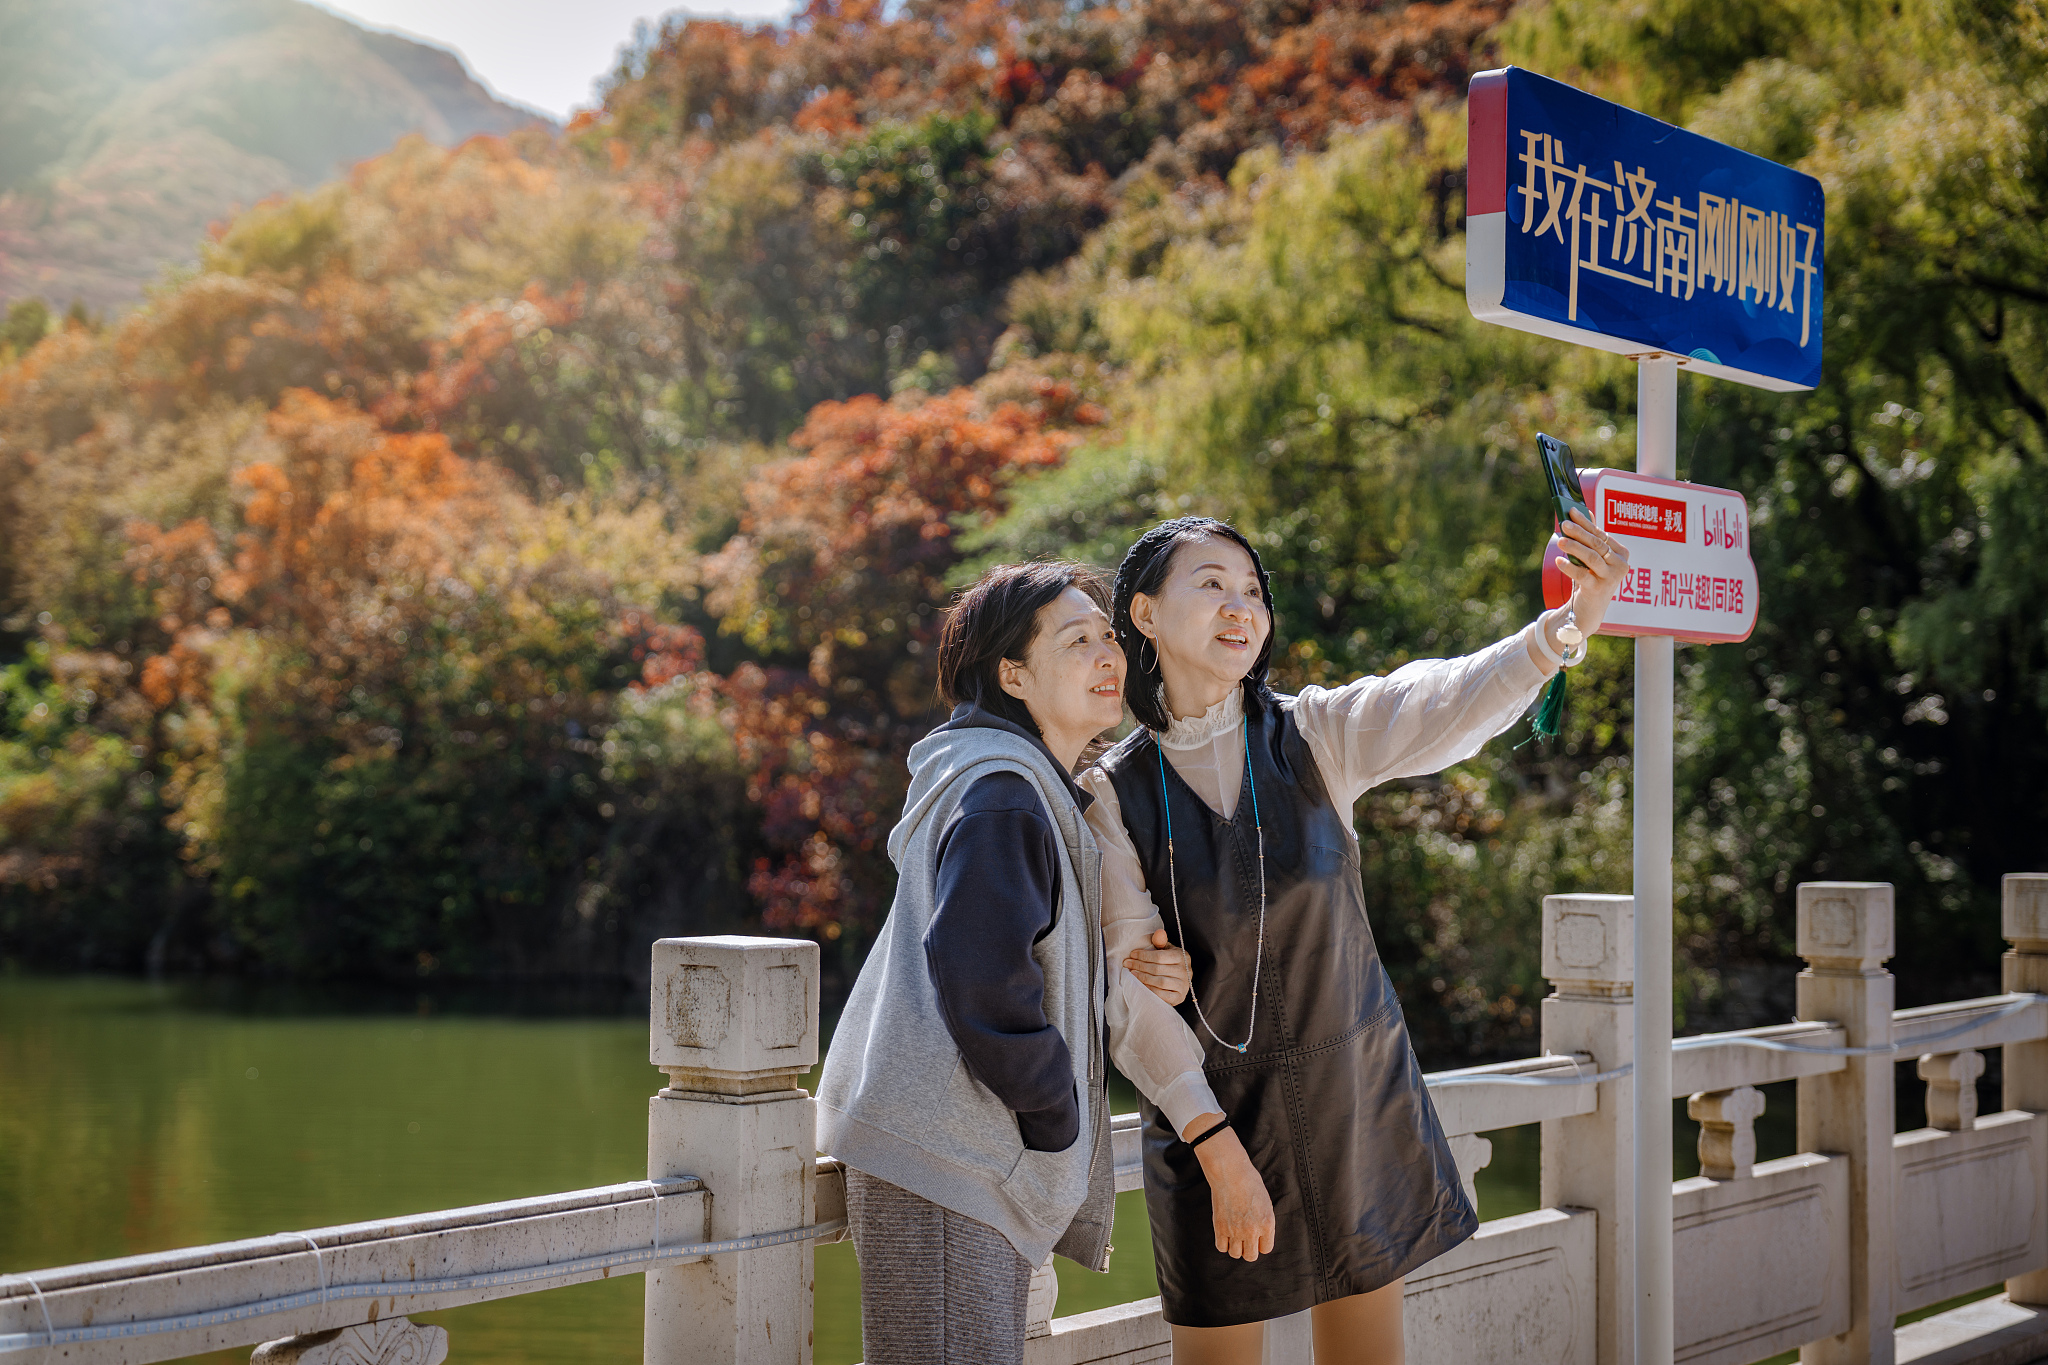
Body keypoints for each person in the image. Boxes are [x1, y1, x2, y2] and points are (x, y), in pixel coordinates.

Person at [1082, 512, 1630, 1364]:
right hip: (1206, 1120)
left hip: (1353, 1105)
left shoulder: (1315, 733)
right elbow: (1130, 995)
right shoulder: (1111, 795)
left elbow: (1444, 697)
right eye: (1212, 585)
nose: (1242, 608)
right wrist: (1219, 1152)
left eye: (1253, 591)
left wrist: (1566, 625)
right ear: (1145, 615)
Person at [816, 560, 1191, 1365]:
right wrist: (1055, 1113)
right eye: (1076, 640)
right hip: (946, 1153)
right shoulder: (1003, 794)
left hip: (955, 1147)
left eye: (1108, 636)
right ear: (1012, 673)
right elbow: (982, 980)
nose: (1107, 656)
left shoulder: (1019, 784)